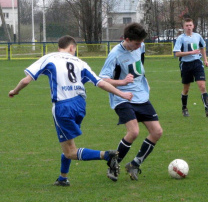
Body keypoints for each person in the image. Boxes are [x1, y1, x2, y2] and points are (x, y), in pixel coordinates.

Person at [8, 35, 133, 186]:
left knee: (70, 151)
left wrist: (15, 91)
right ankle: (63, 178)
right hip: (80, 105)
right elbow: (100, 83)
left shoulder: (50, 58)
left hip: (63, 106)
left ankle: (107, 155)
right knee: (67, 142)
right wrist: (123, 94)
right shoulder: (80, 62)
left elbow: (26, 79)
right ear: (72, 47)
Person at [99, 23, 163, 181]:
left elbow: (140, 64)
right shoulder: (115, 54)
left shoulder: (140, 47)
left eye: (141, 42)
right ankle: (114, 165)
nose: (140, 46)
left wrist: (144, 80)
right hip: (122, 97)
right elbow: (102, 80)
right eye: (136, 43)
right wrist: (122, 83)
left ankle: (134, 164)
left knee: (157, 132)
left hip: (141, 97)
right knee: (134, 132)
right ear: (127, 39)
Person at [173, 18, 208, 117]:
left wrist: (205, 60)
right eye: (187, 25)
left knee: (202, 86)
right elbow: (177, 53)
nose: (189, 27)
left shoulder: (198, 36)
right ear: (183, 27)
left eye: (190, 25)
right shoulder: (180, 38)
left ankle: (207, 108)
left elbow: (202, 48)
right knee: (186, 89)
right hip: (186, 64)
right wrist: (191, 52)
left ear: (193, 26)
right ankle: (184, 108)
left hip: (197, 63)